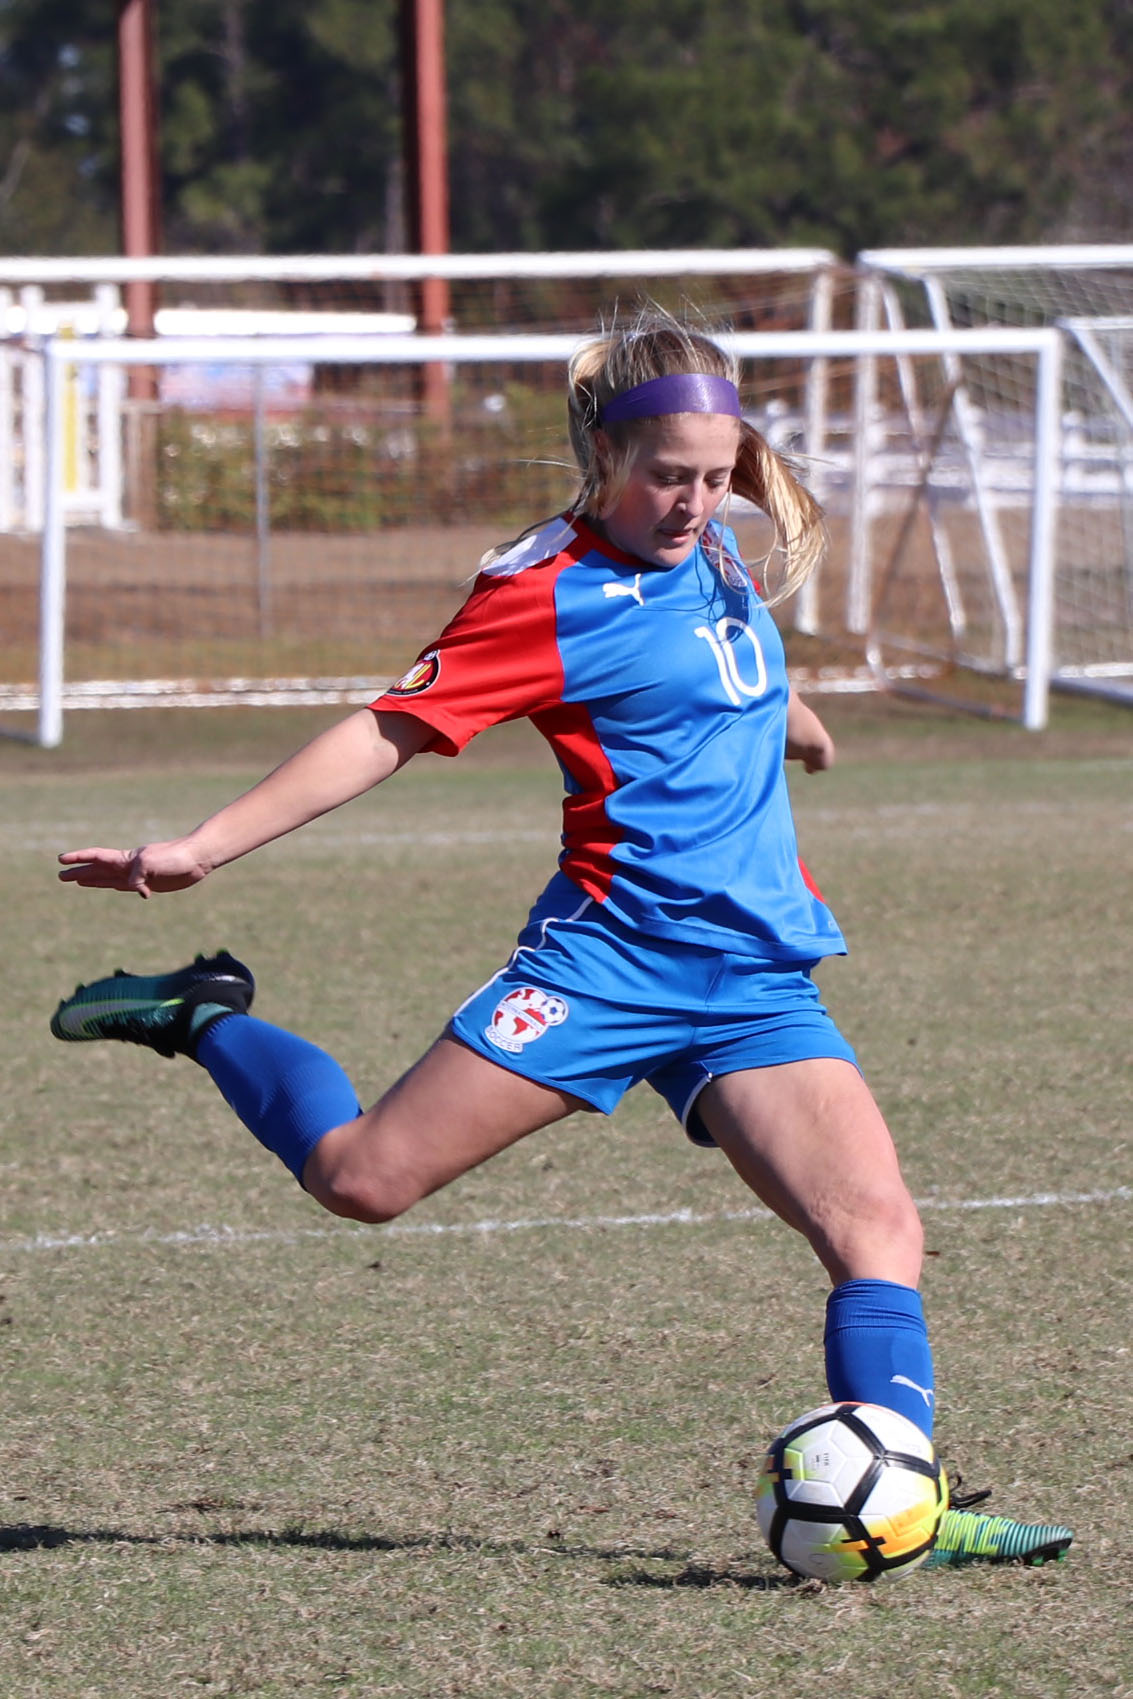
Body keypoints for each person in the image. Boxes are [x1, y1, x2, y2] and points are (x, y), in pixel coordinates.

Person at [50, 308, 1070, 1571]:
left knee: (875, 1231)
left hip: (750, 976)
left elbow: (710, 658)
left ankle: (906, 1496)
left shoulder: (709, 553)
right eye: (666, 477)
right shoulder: (539, 593)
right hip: (605, 963)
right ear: (602, 454)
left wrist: (788, 716)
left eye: (715, 476)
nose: (695, 502)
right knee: (364, 1179)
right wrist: (203, 844)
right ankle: (206, 1012)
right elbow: (386, 728)